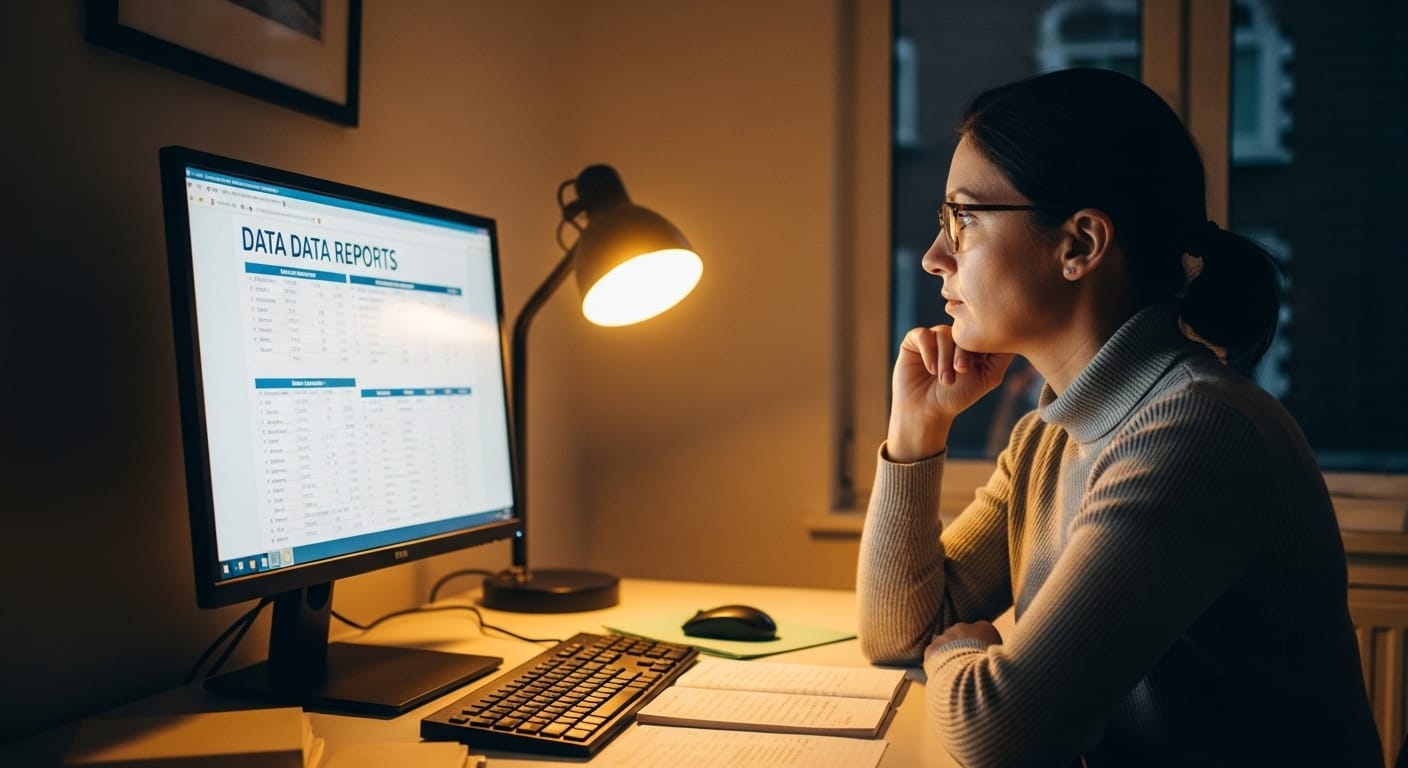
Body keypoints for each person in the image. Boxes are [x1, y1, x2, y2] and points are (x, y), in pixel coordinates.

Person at [856, 68, 1381, 767]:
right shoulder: (1050, 433)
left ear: (1080, 244)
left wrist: (962, 651)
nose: (934, 257)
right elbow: (897, 632)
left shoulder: (1194, 435)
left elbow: (999, 733)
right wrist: (914, 433)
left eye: (965, 219)